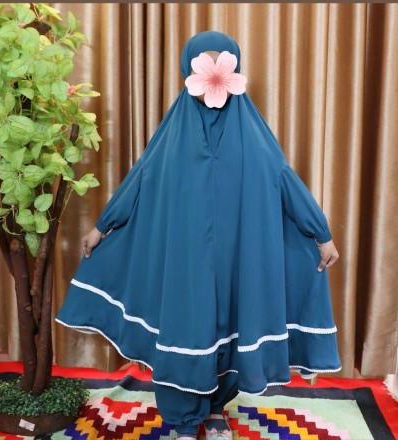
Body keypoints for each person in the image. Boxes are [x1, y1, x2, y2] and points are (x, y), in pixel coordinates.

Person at [56, 31, 341, 440]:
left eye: (220, 64)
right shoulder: (172, 136)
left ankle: (215, 407)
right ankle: (185, 419)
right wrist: (102, 227)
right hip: (183, 263)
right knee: (185, 332)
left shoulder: (254, 135)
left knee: (230, 331)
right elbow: (139, 181)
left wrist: (321, 234)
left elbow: (285, 182)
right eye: (203, 66)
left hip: (237, 262)